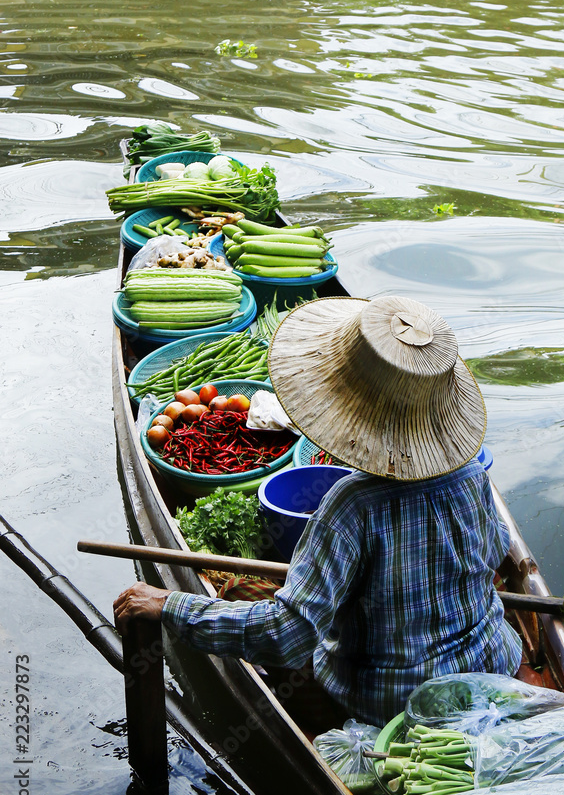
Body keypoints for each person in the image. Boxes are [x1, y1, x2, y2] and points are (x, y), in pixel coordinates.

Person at [113, 295, 522, 728]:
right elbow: (495, 549)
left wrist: (171, 606)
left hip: (396, 706)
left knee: (264, 618)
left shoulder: (352, 505)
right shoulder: (472, 473)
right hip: (494, 667)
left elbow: (288, 636)